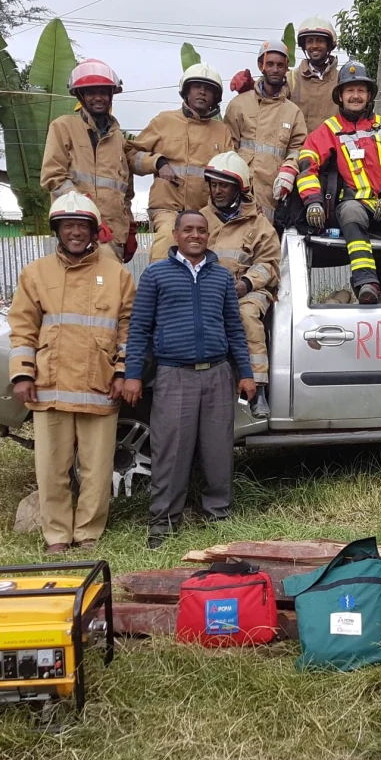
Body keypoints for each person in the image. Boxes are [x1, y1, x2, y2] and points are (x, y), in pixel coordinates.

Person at [7, 191, 136, 553]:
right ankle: (57, 536)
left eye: (82, 226)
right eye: (68, 226)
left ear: (94, 231)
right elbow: (22, 327)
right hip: (49, 387)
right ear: (57, 231)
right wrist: (22, 374)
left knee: (96, 470)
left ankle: (88, 534)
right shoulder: (35, 274)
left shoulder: (117, 275)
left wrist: (122, 372)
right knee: (52, 469)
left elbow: (128, 328)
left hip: (100, 384)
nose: (75, 233)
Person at [123, 209, 257, 549]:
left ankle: (218, 515)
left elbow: (234, 330)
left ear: (208, 235)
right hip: (173, 375)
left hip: (217, 375)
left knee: (218, 450)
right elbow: (139, 330)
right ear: (177, 235)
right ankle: (163, 523)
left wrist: (245, 373)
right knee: (171, 451)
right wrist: (133, 375)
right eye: (188, 230)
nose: (195, 235)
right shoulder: (155, 275)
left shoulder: (222, 278)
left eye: (201, 230)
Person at [296, 60, 381, 305]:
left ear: (369, 94)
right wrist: (313, 202)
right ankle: (366, 283)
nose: (355, 95)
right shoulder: (328, 130)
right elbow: (307, 165)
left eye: (361, 90)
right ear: (340, 96)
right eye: (350, 90)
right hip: (355, 203)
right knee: (350, 212)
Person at [199, 151, 280, 419]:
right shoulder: (199, 220)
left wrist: (245, 283)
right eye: (213, 184)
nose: (217, 190)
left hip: (249, 292)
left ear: (240, 188)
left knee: (245, 317)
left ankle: (257, 392)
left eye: (224, 185)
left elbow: (268, 263)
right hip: (207, 290)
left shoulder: (259, 225)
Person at [128, 63, 233, 263]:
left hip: (206, 212)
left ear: (215, 97)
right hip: (168, 210)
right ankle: (157, 291)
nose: (202, 92)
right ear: (186, 91)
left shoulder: (222, 131)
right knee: (167, 242)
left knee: (219, 258)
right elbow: (132, 156)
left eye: (208, 89)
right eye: (196, 87)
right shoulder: (164, 121)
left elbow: (233, 173)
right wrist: (157, 162)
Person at [42, 59, 138, 262]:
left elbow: (125, 192)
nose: (98, 98)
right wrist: (85, 213)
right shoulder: (63, 127)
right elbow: (53, 176)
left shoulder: (118, 138)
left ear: (111, 95)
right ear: (80, 96)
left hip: (114, 236)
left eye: (103, 92)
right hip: (79, 234)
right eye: (91, 92)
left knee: (113, 292)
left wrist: (130, 228)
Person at [224, 40, 307, 224]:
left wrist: (289, 169)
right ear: (261, 66)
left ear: (286, 68)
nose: (275, 69)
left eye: (280, 65)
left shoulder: (293, 112)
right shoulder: (239, 105)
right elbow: (227, 146)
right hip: (241, 188)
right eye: (270, 64)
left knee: (267, 243)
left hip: (273, 191)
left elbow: (298, 148)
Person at [289, 16, 341, 132]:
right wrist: (248, 85)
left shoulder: (341, 79)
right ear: (304, 46)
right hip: (299, 148)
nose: (314, 46)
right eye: (309, 41)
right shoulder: (291, 78)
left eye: (320, 40)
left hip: (333, 148)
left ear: (329, 45)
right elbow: (268, 94)